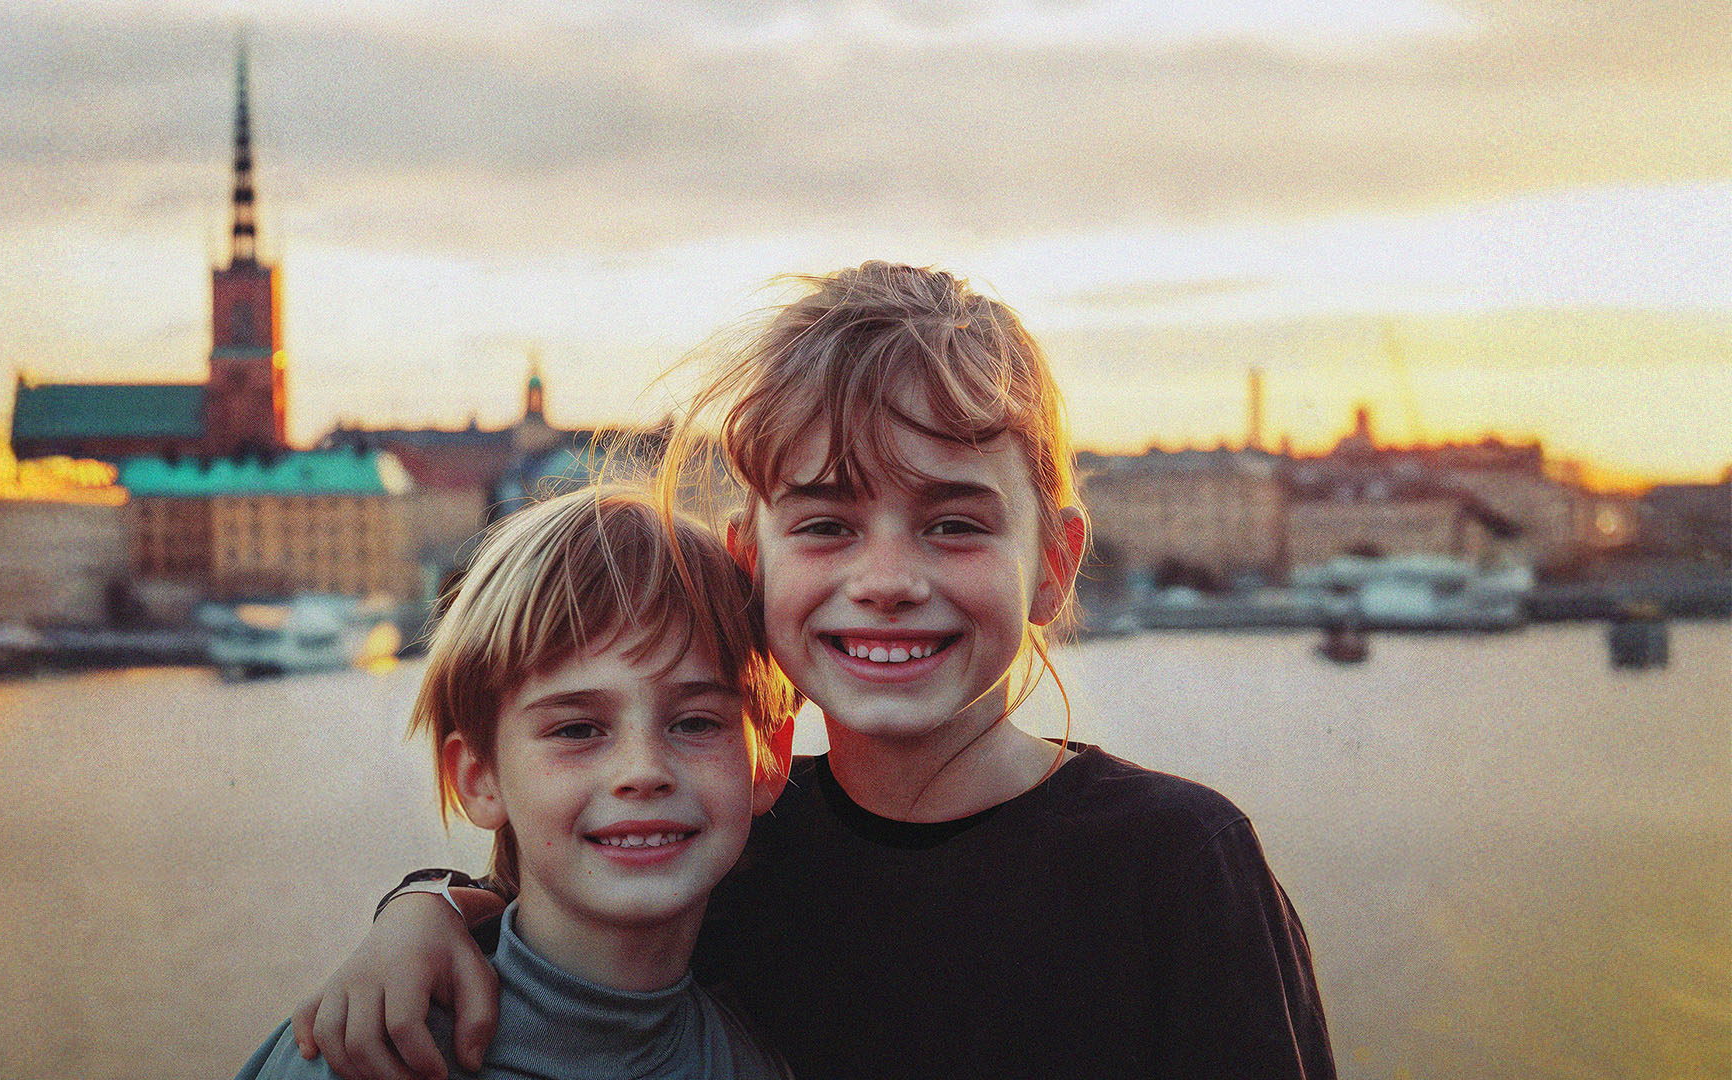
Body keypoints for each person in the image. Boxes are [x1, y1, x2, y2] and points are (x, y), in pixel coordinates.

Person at [294, 262, 1335, 1079]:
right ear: (753, 563)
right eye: (829, 523)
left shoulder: (1177, 865)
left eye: (955, 523)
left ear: (1054, 566)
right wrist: (423, 912)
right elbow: (551, 930)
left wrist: (424, 908)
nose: (886, 580)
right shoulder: (732, 845)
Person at [236, 486, 794, 1080]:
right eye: (578, 729)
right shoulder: (362, 1051)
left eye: (694, 722)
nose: (643, 770)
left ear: (769, 760)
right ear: (479, 780)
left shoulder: (756, 1060)